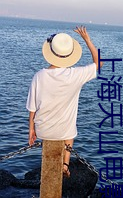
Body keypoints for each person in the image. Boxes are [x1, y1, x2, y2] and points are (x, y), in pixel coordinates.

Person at [26, 26, 102, 177]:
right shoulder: (75, 75)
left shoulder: (39, 76)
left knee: (55, 125)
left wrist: (31, 130)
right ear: (70, 54)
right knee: (69, 128)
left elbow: (32, 108)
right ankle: (65, 165)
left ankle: (54, 167)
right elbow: (99, 63)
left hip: (43, 131)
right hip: (64, 131)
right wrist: (87, 39)